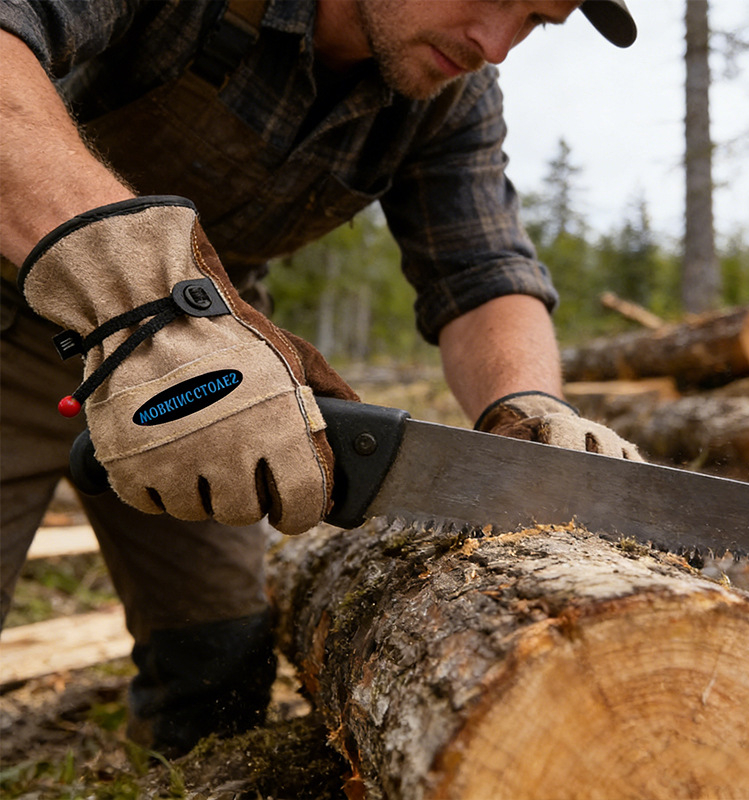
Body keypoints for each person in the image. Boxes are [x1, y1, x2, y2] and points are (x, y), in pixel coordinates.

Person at [0, 0, 640, 756]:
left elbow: (481, 270)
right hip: (17, 318)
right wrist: (147, 301)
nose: (496, 45)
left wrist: (529, 406)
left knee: (217, 660)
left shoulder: (449, 96)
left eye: (534, 19)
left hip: (220, 374)